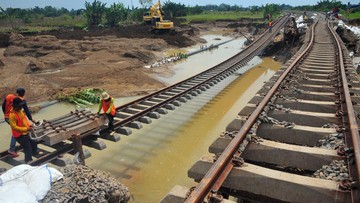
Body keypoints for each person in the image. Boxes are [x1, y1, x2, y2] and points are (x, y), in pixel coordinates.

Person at [2, 87, 35, 156]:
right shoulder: (22, 100)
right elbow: (26, 110)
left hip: (7, 117)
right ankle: (11, 149)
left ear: (16, 93)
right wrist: (31, 119)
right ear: (23, 94)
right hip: (13, 117)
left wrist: (5, 114)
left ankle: (24, 142)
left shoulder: (9, 96)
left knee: (17, 130)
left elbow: (3, 106)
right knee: (15, 131)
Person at [9, 97, 38, 163]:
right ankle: (28, 161)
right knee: (27, 148)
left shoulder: (21, 112)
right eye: (20, 106)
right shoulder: (12, 115)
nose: (21, 107)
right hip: (19, 136)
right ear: (16, 106)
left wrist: (29, 125)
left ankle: (34, 154)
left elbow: (24, 120)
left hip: (25, 133)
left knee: (34, 142)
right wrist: (26, 128)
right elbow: (14, 127)